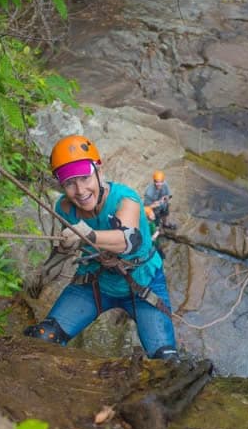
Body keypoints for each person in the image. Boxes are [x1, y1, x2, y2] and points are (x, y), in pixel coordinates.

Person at [24, 135, 179, 361]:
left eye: (85, 178)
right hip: (94, 282)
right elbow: (65, 248)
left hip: (142, 283)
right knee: (43, 338)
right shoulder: (65, 208)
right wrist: (44, 273)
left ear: (99, 170)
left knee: (166, 362)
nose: (80, 190)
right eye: (69, 183)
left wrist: (88, 235)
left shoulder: (126, 200)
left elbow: (129, 240)